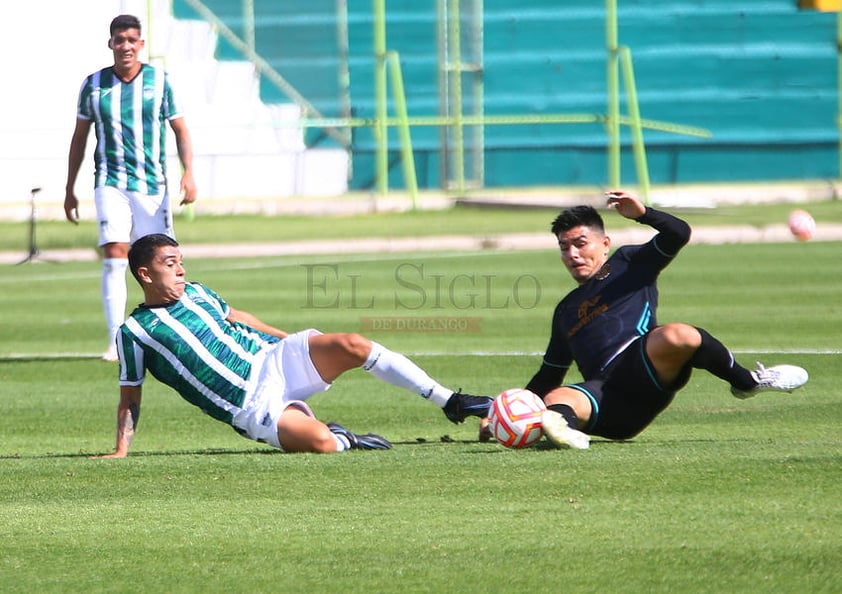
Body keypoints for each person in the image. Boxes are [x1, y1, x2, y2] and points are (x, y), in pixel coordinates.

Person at [95, 233, 492, 457]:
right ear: (145, 274)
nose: (181, 270)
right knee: (323, 444)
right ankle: (342, 436)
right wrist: (120, 450)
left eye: (181, 261)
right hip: (249, 405)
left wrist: (293, 341)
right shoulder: (134, 332)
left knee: (353, 344)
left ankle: (450, 402)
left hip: (273, 359)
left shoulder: (198, 292)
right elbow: (130, 396)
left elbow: (240, 318)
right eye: (170, 264)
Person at [519, 190, 808, 449]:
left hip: (645, 367)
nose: (572, 254)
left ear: (605, 243)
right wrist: (507, 414)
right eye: (563, 247)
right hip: (608, 403)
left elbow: (678, 234)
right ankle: (565, 432)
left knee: (678, 334)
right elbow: (548, 375)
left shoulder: (628, 262)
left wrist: (644, 213)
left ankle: (747, 382)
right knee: (557, 397)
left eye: (580, 244)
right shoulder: (566, 310)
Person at [64, 14, 197, 362]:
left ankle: (171, 332)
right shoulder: (94, 85)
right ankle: (115, 341)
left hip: (153, 186)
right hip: (110, 182)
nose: (125, 46)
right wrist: (69, 188)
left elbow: (180, 130)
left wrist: (189, 173)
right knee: (114, 255)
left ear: (141, 45)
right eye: (119, 40)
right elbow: (79, 139)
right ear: (110, 43)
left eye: (131, 40)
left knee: (162, 260)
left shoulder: (160, 82)